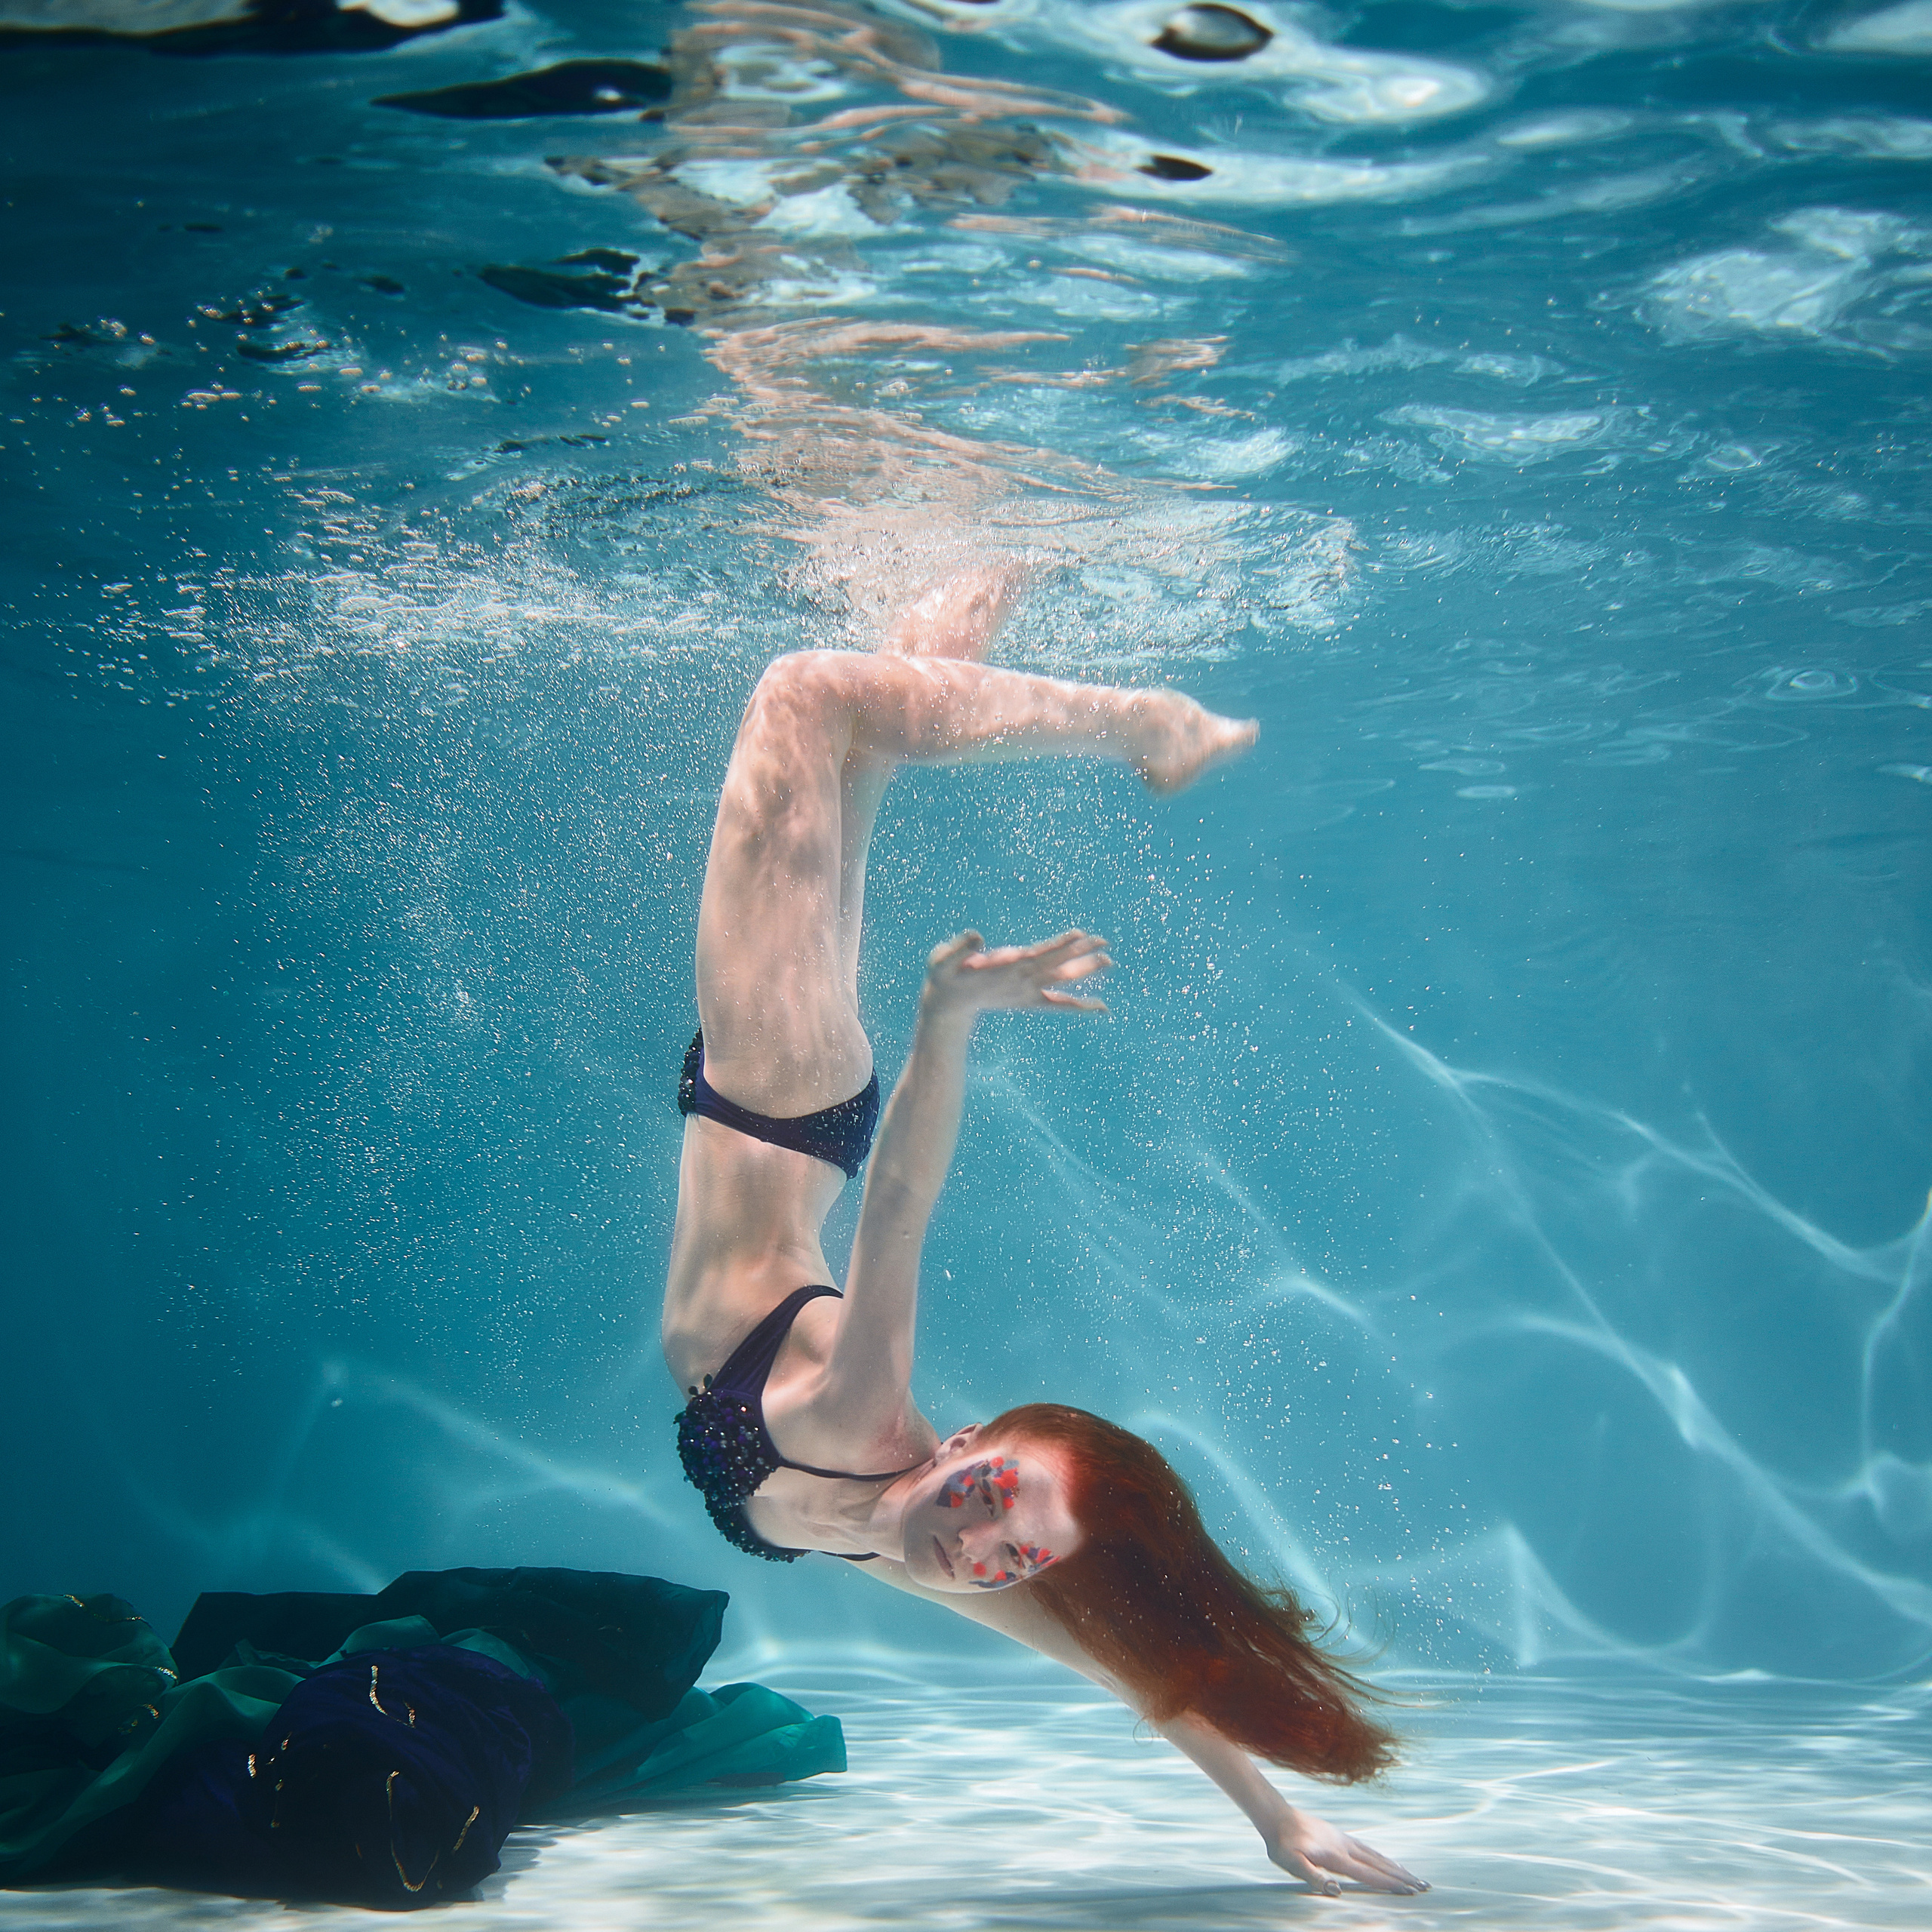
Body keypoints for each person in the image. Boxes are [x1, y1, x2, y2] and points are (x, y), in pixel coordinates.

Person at [662, 571, 1426, 1897]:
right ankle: (1141, 723)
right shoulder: (861, 1423)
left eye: (1017, 1552)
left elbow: (1133, 1670)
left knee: (853, 737)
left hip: (792, 1114)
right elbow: (897, 1211)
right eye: (995, 1499)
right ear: (965, 1447)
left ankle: (954, 588)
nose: (982, 1549)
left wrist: (1276, 1822)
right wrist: (945, 1022)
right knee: (806, 695)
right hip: (770, 1094)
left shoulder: (930, 1560)